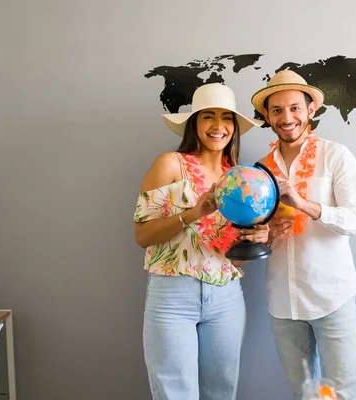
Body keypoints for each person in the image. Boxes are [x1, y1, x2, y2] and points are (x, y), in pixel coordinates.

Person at [133, 82, 269, 400]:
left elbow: (230, 255)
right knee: (175, 393)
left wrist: (259, 237)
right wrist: (194, 212)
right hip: (172, 297)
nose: (218, 126)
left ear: (234, 127)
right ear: (195, 122)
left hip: (226, 298)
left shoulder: (238, 177)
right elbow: (142, 235)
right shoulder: (169, 164)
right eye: (208, 116)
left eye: (226, 118)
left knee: (221, 393)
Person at [251, 70, 356, 400]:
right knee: (305, 394)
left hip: (332, 295)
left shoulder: (336, 155)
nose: (286, 118)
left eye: (294, 108)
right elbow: (263, 233)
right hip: (282, 301)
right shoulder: (260, 169)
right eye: (276, 110)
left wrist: (305, 204)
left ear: (311, 109)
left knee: (346, 394)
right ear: (267, 116)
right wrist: (267, 232)